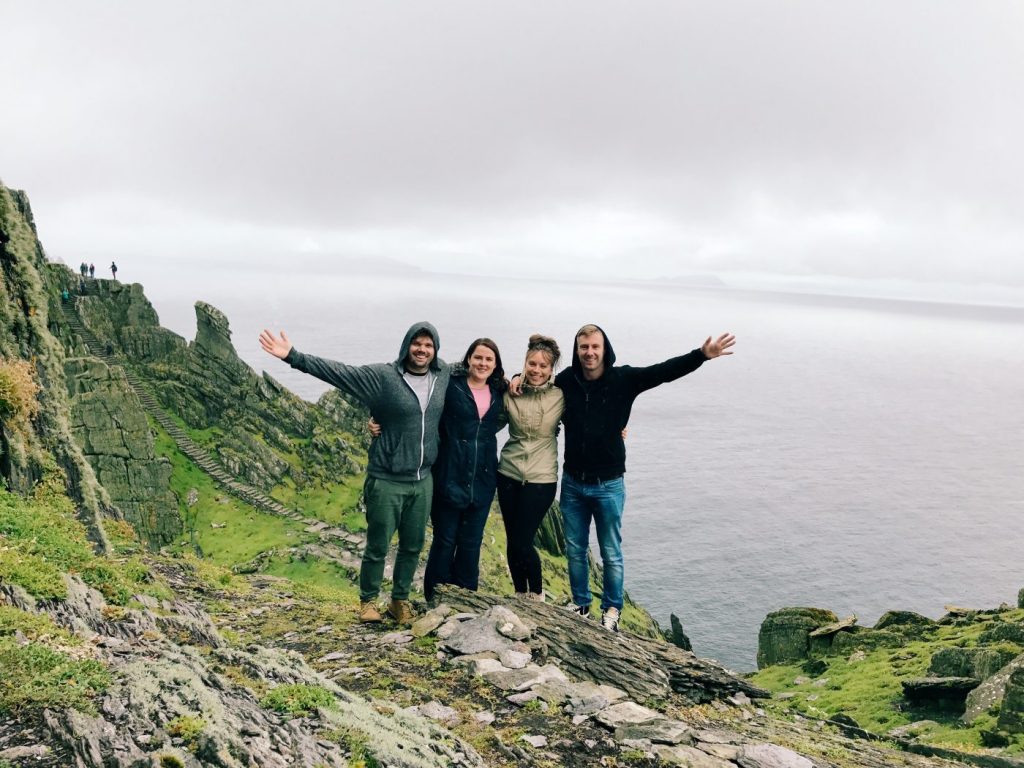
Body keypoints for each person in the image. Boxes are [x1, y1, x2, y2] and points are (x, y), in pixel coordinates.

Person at [259, 322, 449, 625]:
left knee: (413, 546)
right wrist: (292, 356)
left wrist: (514, 379)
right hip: (386, 479)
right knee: (378, 545)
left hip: (422, 480)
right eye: (417, 343)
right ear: (406, 345)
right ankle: (368, 602)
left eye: (428, 345)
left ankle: (399, 601)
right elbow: (339, 373)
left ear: (435, 350)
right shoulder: (384, 377)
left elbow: (480, 371)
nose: (422, 350)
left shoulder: (444, 377)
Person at [556, 324, 736, 632]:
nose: (589, 352)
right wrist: (517, 378)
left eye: (594, 346)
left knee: (611, 551)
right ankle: (581, 603)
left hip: (608, 484)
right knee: (574, 548)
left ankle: (612, 609)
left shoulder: (623, 379)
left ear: (604, 349)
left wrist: (701, 355)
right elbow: (538, 383)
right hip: (572, 481)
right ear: (577, 350)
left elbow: (663, 371)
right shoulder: (565, 381)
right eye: (583, 347)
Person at [421, 338, 507, 601]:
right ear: (469, 359)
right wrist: (377, 420)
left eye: (488, 359)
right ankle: (435, 600)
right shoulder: (450, 386)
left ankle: (465, 602)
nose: (482, 363)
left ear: (495, 365)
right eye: (478, 357)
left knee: (471, 545)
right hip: (449, 477)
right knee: (445, 542)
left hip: (482, 481)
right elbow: (420, 407)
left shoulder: (499, 391)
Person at [497, 334, 565, 601]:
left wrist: (617, 429)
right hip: (508, 473)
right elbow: (486, 420)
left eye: (543, 366)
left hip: (541, 478)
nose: (537, 370)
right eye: (532, 364)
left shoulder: (561, 396)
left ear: (551, 369)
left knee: (523, 541)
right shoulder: (511, 392)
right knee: (512, 540)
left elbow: (588, 416)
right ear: (525, 363)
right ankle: (519, 595)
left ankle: (537, 597)